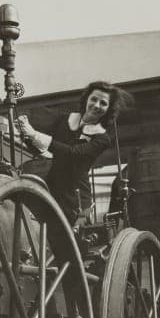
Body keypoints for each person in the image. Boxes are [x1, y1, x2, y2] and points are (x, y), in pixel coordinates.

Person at [18, 81, 132, 227]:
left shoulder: (102, 138)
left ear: (109, 109)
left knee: (70, 239)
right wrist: (25, 134)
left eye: (103, 103)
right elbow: (45, 149)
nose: (97, 105)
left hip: (75, 199)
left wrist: (34, 135)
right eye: (94, 99)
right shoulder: (64, 120)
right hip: (51, 190)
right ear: (87, 99)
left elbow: (73, 153)